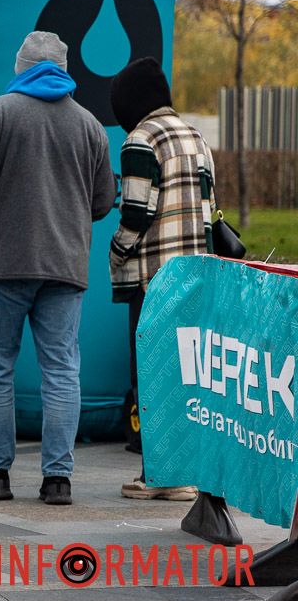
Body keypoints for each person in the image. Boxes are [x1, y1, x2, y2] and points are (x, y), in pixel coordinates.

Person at [0, 31, 116, 506]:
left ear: (20, 66)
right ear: (66, 70)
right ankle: (57, 480)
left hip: (3, 263)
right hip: (64, 266)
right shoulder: (89, 125)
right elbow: (104, 199)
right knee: (62, 370)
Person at [108, 56, 209, 502]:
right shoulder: (195, 137)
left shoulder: (140, 140)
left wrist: (115, 252)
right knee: (188, 375)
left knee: (149, 376)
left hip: (153, 279)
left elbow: (136, 213)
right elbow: (209, 212)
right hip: (196, 277)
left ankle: (158, 475)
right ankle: (185, 473)